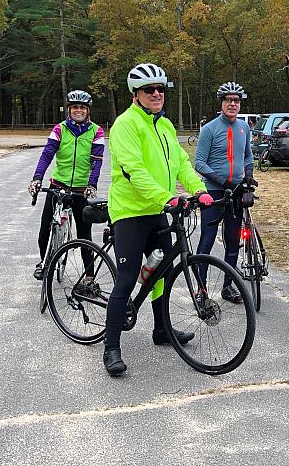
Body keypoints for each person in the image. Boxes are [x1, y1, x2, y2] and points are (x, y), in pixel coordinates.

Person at [102, 63, 214, 376]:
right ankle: (111, 347)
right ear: (135, 94)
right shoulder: (126, 125)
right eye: (149, 90)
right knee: (126, 279)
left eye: (160, 89)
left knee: (162, 272)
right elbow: (133, 171)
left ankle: (162, 330)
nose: (156, 94)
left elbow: (181, 164)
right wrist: (165, 197)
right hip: (130, 211)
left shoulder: (164, 126)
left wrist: (199, 190)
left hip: (158, 210)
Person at [28, 90, 104, 280]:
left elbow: (97, 162)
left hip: (80, 189)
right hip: (58, 185)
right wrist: (37, 178)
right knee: (45, 228)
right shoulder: (60, 129)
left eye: (82, 108)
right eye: (75, 107)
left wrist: (91, 184)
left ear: (88, 111)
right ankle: (44, 263)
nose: (78, 111)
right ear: (69, 110)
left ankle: (89, 277)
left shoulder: (97, 131)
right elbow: (47, 154)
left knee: (85, 235)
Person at [195, 81, 256, 303]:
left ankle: (227, 287)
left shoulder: (244, 127)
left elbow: (248, 155)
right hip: (213, 192)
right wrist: (223, 181)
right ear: (221, 103)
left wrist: (248, 174)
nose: (232, 104)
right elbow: (199, 163)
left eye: (236, 101)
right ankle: (200, 290)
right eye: (228, 100)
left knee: (232, 241)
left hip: (236, 191)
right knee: (207, 240)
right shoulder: (209, 128)